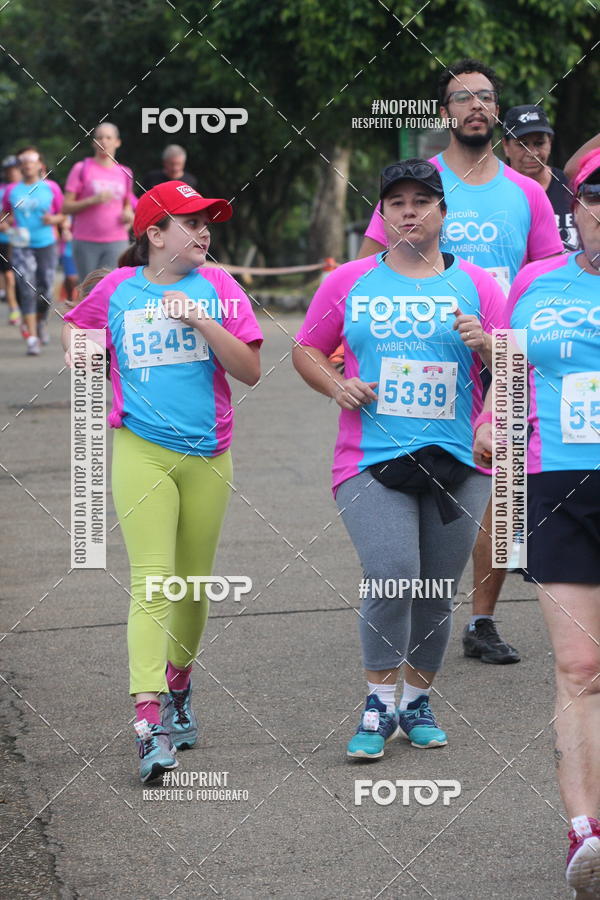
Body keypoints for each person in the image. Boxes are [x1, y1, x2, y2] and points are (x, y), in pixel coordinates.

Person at [293, 160, 505, 760]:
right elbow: (307, 350)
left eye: (422, 200)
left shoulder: (481, 287)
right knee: (391, 570)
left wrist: (490, 347)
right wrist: (336, 384)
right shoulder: (350, 281)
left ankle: (417, 700)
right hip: (371, 456)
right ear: (382, 215)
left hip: (458, 459)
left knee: (437, 588)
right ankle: (378, 703)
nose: (409, 210)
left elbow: (513, 373)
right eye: (397, 202)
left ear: (443, 212)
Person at [359, 59, 563, 666]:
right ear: (444, 111)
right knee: (413, 495)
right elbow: (366, 270)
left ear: (496, 111)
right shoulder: (419, 185)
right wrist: (351, 358)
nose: (475, 106)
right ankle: (413, 599)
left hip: (501, 359)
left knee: (502, 491)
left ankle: (482, 618)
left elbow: (547, 276)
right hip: (419, 363)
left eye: (486, 97)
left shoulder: (527, 193)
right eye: (462, 97)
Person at [61, 181, 263, 782]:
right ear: (154, 234)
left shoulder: (219, 286)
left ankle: (179, 686)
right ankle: (148, 723)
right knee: (153, 582)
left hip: (209, 455)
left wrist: (200, 318)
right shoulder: (119, 290)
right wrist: (88, 357)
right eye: (190, 222)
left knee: (192, 587)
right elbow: (76, 333)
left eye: (208, 223)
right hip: (140, 452)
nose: (204, 233)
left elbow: (250, 370)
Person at [473, 148, 600, 898]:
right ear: (574, 204)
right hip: (557, 484)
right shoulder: (534, 285)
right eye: (594, 193)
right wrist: (492, 421)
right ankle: (585, 832)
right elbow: (510, 375)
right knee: (581, 668)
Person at [0, 147, 64, 355]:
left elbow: (63, 214)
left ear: (39, 165)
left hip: (46, 244)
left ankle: (41, 322)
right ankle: (33, 337)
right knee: (26, 288)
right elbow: (4, 215)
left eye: (32, 161)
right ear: (20, 167)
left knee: (45, 288)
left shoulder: (51, 188)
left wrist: (53, 220)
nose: (27, 165)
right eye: (24, 162)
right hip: (21, 246)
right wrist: (6, 224)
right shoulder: (12, 190)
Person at [63, 123, 137, 279]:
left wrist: (128, 213)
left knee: (112, 288)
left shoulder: (125, 172)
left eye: (108, 137)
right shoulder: (81, 168)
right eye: (99, 138)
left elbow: (127, 204)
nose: (104, 141)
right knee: (88, 290)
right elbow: (65, 207)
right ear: (93, 142)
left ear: (117, 142)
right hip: (85, 241)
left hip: (117, 240)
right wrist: (92, 200)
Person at [503, 104, 580, 251]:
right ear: (506, 146)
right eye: (522, 144)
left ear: (550, 142)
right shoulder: (496, 192)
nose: (532, 153)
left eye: (539, 143)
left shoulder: (572, 186)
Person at [0, 155, 22, 326]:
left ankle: (27, 307)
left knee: (25, 275)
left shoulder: (30, 187)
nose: (12, 172)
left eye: (15, 168)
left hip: (26, 239)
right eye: (9, 170)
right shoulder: (2, 190)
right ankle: (14, 308)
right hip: (5, 239)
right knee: (8, 275)